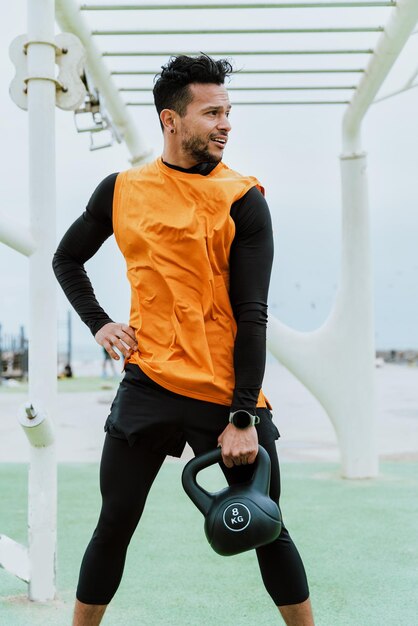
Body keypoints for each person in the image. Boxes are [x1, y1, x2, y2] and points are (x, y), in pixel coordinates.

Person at [53, 54, 314, 626]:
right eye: (212, 112)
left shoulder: (243, 198)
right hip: (148, 382)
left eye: (228, 112)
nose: (225, 123)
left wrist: (243, 416)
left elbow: (252, 313)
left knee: (269, 526)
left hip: (227, 393)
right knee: (114, 523)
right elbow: (67, 258)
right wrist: (99, 321)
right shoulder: (122, 189)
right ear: (171, 121)